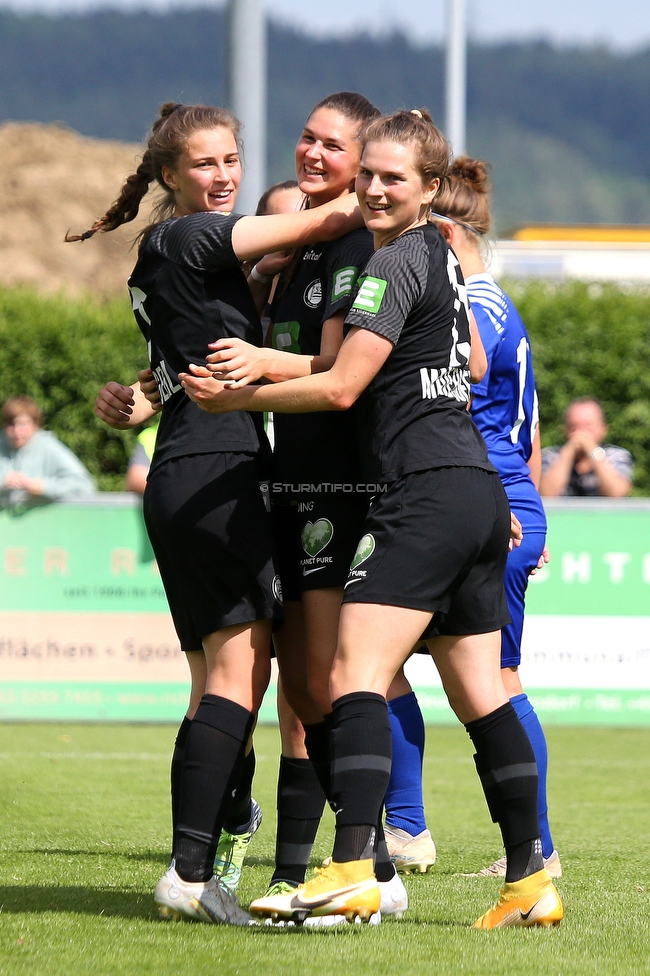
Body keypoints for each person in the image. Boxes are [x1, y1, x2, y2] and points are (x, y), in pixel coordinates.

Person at [181, 109, 564, 929]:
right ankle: (531, 880)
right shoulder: (449, 262)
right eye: (372, 175)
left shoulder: (393, 262)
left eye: (395, 177)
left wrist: (238, 394)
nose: (377, 187)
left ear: (430, 190)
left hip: (423, 490)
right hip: (471, 487)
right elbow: (465, 358)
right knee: (481, 693)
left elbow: (342, 385)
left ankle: (355, 864)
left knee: (346, 673)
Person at [73, 100, 362, 926]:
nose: (224, 175)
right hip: (216, 474)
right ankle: (195, 873)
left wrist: (144, 401)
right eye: (204, 163)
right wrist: (384, 184)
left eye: (232, 158)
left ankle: (203, 856)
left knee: (216, 686)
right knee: (239, 677)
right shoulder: (190, 236)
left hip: (191, 470)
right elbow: (331, 217)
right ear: (168, 174)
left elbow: (184, 362)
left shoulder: (170, 254)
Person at [203, 93, 437, 916]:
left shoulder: (350, 245)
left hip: (344, 482)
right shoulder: (304, 240)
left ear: (365, 161)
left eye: (333, 145)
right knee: (306, 687)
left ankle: (360, 863)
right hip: (299, 482)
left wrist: (257, 366)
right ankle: (349, 861)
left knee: (330, 682)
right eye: (306, 136)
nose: (314, 153)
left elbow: (336, 372)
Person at [431, 156, 561, 879]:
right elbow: (532, 431)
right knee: (484, 677)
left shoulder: (474, 306)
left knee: (497, 682)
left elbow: (472, 379)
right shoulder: (498, 299)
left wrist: (508, 506)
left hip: (490, 502)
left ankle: (534, 848)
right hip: (506, 498)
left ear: (447, 234)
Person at [0, 395, 95, 508]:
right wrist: (3, 483)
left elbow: (84, 485)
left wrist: (44, 487)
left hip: (44, 521)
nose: (17, 431)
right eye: (11, 424)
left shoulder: (49, 447)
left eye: (23, 424)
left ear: (35, 424)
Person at [540, 397, 633, 497]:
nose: (580, 432)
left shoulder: (616, 455)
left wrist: (593, 451)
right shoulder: (550, 455)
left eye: (587, 426)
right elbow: (546, 494)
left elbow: (617, 493)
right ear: (565, 429)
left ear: (602, 428)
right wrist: (567, 453)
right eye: (574, 426)